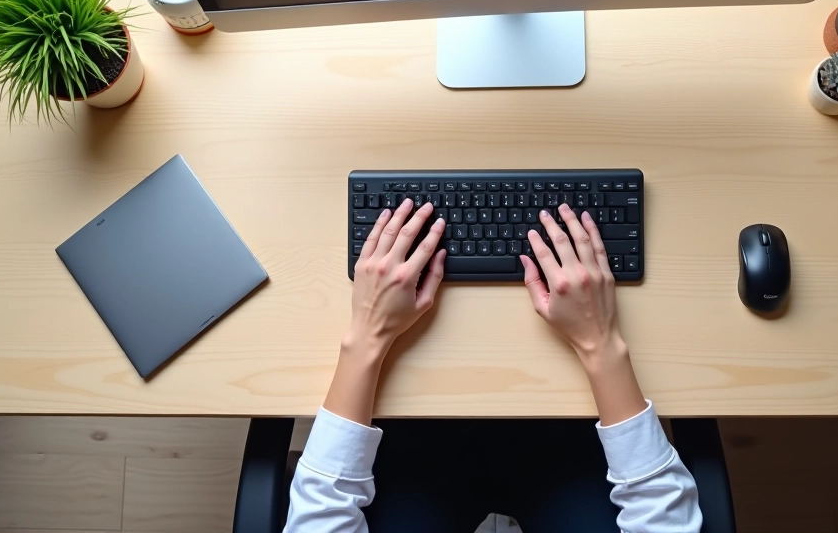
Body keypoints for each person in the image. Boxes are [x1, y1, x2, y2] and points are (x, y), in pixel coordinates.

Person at [283, 199, 702, 533]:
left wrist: (368, 335)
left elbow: (323, 515)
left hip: (420, 451)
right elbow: (662, 519)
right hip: (571, 449)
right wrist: (600, 343)